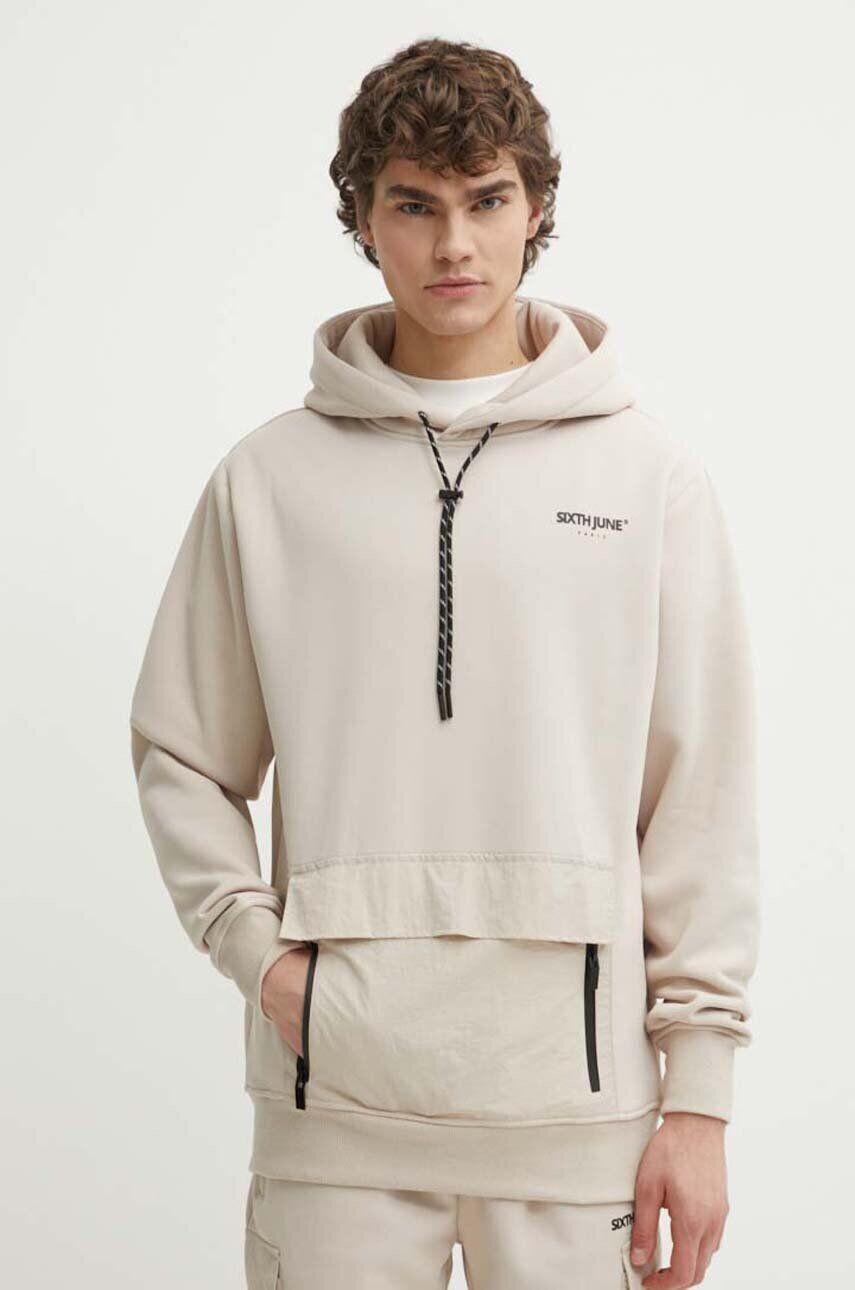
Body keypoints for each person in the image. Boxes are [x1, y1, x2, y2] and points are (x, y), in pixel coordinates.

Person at [129, 36, 760, 1290]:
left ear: (538, 209)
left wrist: (699, 1099)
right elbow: (180, 752)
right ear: (365, 221)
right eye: (415, 205)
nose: (455, 245)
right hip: (334, 1114)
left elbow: (702, 794)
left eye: (487, 199)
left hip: (580, 1114)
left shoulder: (649, 480)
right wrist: (261, 960)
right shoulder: (268, 481)